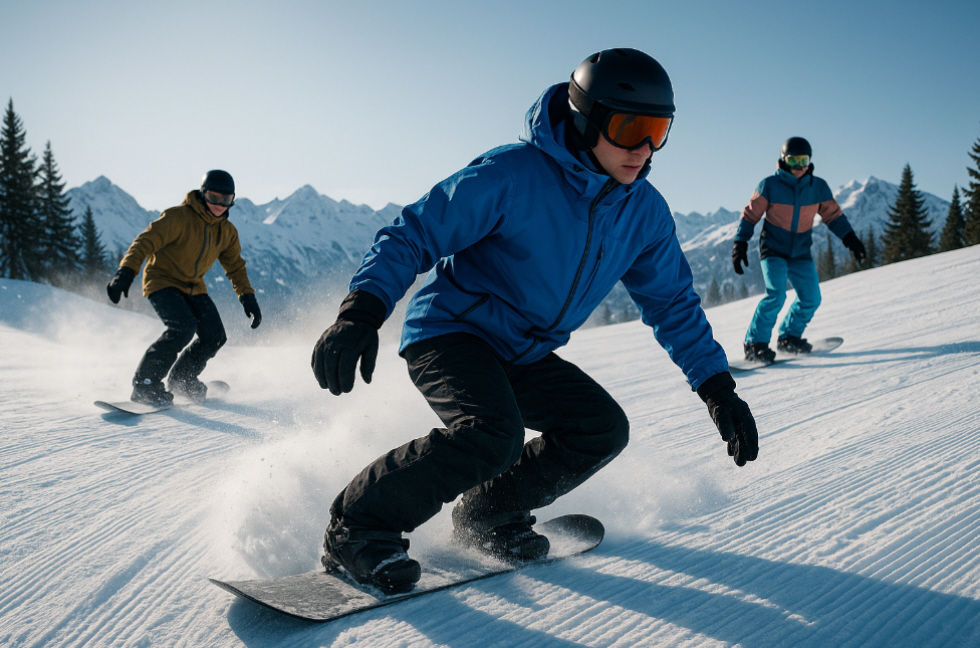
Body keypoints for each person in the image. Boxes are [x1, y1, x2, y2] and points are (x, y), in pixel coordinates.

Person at [311, 48, 758, 593]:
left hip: (523, 350)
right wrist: (361, 312)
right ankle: (357, 526)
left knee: (599, 428)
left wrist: (716, 388)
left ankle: (488, 514)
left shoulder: (643, 211)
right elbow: (414, 234)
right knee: (493, 435)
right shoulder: (514, 174)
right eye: (629, 128)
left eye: (658, 132)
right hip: (451, 332)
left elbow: (672, 304)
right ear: (587, 120)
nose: (643, 149)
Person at [106, 170, 262, 405]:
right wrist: (126, 272)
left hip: (193, 286)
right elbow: (144, 242)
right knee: (183, 328)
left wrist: (247, 297)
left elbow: (235, 267)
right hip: (162, 280)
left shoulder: (227, 232)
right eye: (214, 197)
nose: (219, 204)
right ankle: (145, 385)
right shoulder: (178, 217)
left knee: (215, 336)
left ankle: (182, 380)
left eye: (226, 199)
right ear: (203, 194)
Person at [732, 138, 866, 364]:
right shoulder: (769, 185)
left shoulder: (818, 187)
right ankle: (755, 344)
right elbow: (750, 215)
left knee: (811, 297)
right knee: (776, 295)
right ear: (784, 160)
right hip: (773, 250)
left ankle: (789, 337)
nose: (799, 166)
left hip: (801, 253)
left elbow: (833, 216)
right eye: (793, 160)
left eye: (803, 160)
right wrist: (740, 243)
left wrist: (851, 240)